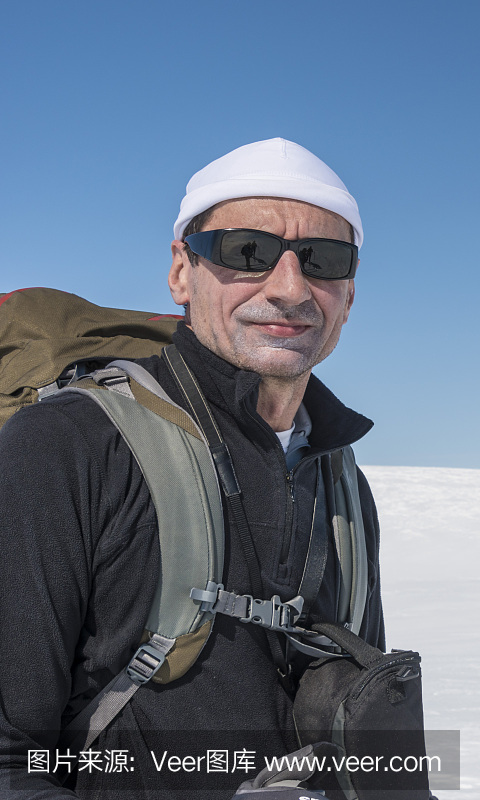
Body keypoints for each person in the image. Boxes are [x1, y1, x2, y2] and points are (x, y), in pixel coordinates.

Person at [0, 138, 384, 797]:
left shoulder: (341, 480)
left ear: (348, 293)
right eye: (245, 252)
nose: (290, 288)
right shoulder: (69, 446)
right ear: (182, 271)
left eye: (323, 260)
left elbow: (368, 748)